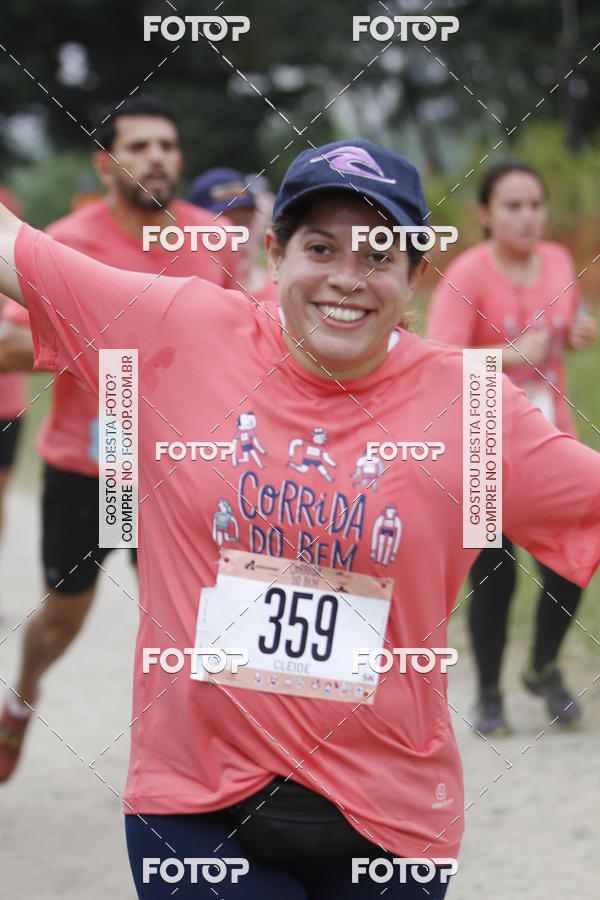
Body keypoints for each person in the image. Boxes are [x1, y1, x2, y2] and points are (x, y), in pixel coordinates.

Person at [0, 138, 598, 898]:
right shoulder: (178, 327)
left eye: (380, 254)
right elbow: (13, 248)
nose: (347, 278)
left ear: (414, 277)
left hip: (391, 816)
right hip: (196, 802)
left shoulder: (471, 407)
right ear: (275, 255)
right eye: (321, 247)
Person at [0, 94, 242, 781]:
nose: (157, 158)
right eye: (139, 147)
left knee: (194, 621)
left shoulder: (210, 241)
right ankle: (22, 698)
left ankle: (192, 768)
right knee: (61, 622)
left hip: (180, 473)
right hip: (93, 466)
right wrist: (90, 347)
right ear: (106, 163)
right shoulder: (66, 244)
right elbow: (10, 343)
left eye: (167, 145)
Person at [425, 159, 598, 735]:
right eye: (513, 206)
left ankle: (543, 667)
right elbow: (436, 361)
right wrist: (507, 356)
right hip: (481, 446)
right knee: (494, 575)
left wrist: (576, 333)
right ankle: (492, 694)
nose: (528, 217)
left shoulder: (556, 260)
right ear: (485, 214)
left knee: (572, 559)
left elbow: (564, 328)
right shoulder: (468, 275)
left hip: (550, 439)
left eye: (535, 205)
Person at [188, 166, 277, 301]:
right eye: (219, 229)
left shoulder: (286, 294)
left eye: (244, 224)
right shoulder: (188, 300)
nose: (236, 239)